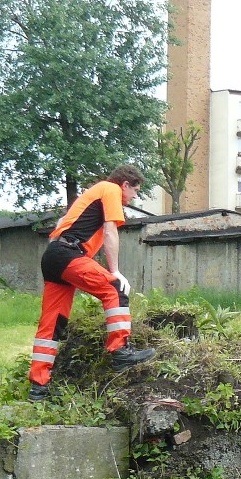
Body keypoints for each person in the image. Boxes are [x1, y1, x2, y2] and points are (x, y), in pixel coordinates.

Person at [28, 165, 156, 402]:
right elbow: (110, 232)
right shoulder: (110, 189)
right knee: (114, 288)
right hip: (67, 253)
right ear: (125, 184)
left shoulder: (94, 192)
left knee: (52, 323)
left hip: (55, 255)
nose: (134, 196)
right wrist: (115, 271)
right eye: (135, 190)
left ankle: (38, 388)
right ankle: (120, 352)